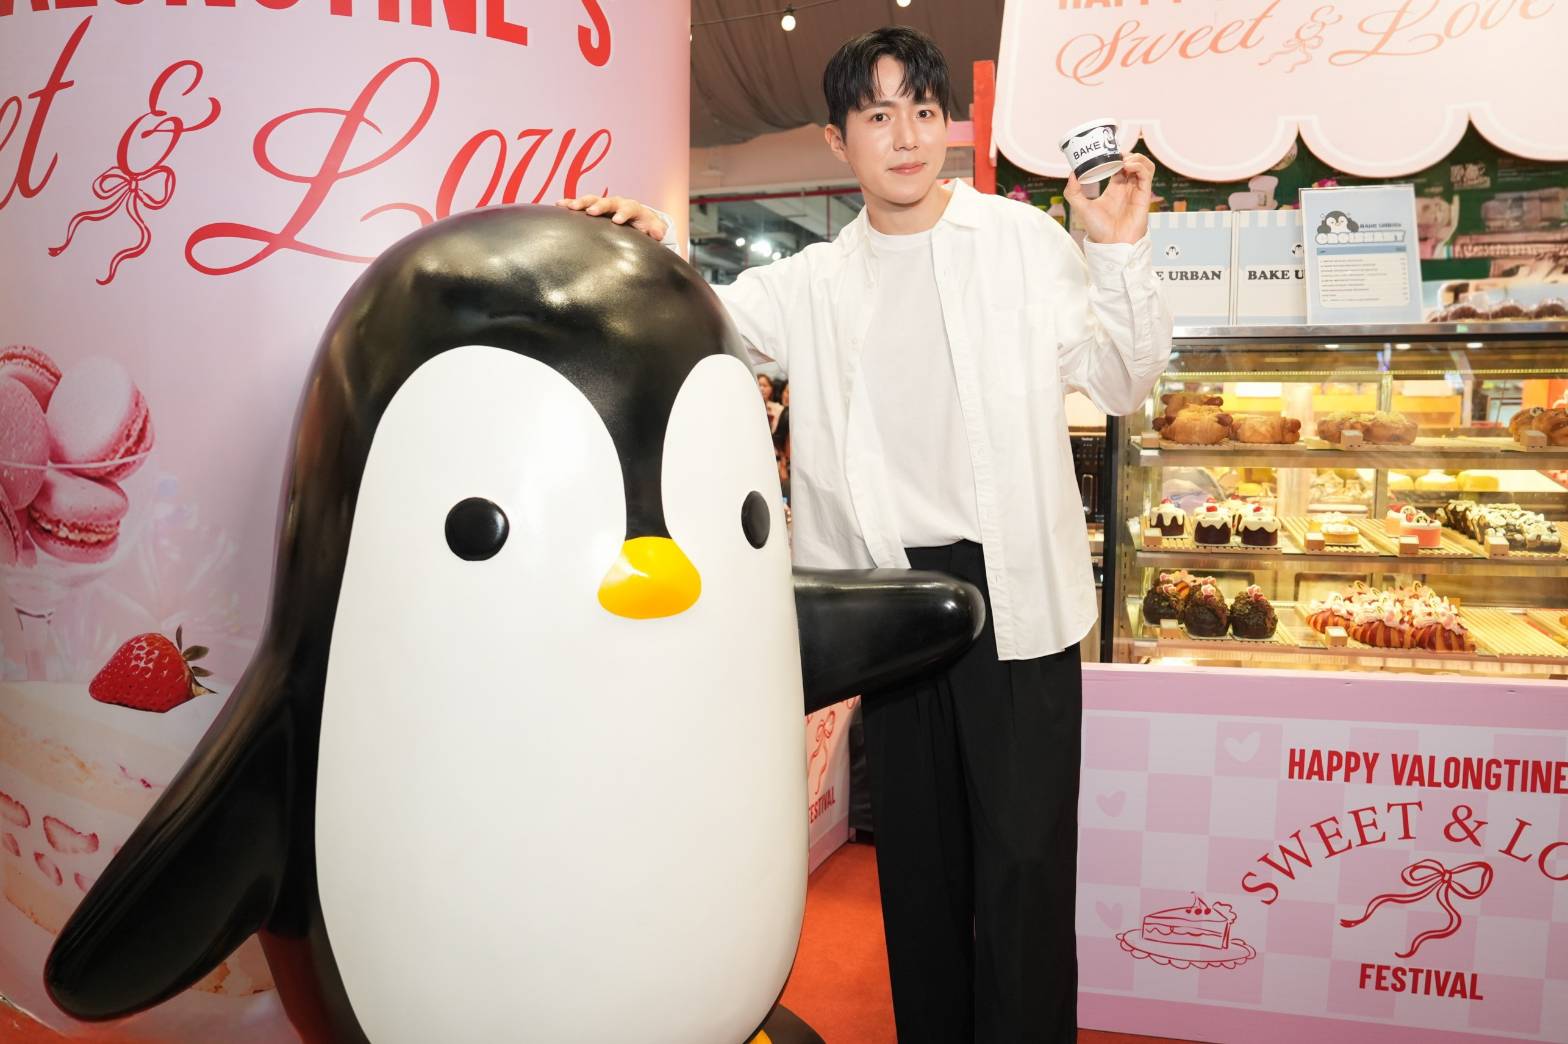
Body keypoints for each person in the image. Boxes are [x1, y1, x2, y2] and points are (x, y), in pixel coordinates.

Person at [559, 25, 1171, 1043]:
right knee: (918, 870)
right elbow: (701, 317)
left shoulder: (1021, 244)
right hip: (889, 605)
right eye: (878, 115)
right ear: (838, 141)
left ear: (947, 124)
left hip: (1019, 592)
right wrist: (653, 245)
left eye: (922, 111)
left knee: (1024, 862)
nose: (906, 136)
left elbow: (1121, 380)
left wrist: (1116, 248)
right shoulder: (811, 282)